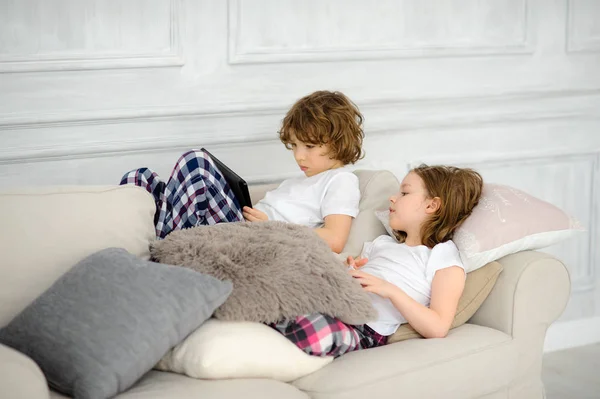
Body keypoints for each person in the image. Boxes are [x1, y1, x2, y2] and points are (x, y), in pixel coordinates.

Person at [270, 165, 483, 357]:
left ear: (432, 206)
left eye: (405, 192)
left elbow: (438, 326)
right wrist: (348, 269)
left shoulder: (442, 256)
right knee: (282, 283)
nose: (393, 197)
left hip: (364, 327)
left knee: (313, 331)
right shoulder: (382, 244)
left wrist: (389, 290)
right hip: (335, 302)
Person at [119, 90, 364, 253]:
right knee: (140, 178)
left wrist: (273, 226)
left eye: (309, 146)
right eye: (295, 146)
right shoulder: (297, 181)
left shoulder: (341, 180)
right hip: (244, 223)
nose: (299, 156)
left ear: (337, 142)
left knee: (196, 163)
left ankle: (162, 250)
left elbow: (335, 239)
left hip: (253, 238)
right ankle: (142, 246)